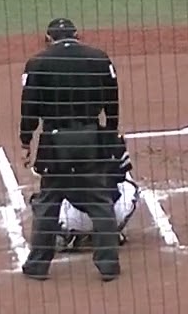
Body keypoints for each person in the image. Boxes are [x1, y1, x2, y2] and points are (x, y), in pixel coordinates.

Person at [18, 18, 122, 282]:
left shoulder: (37, 63)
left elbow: (29, 106)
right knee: (100, 201)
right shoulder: (99, 58)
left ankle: (38, 265)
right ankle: (108, 264)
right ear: (78, 35)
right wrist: (109, 133)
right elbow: (112, 100)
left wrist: (25, 141)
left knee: (49, 201)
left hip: (55, 141)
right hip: (90, 137)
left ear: (47, 38)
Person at [53, 131, 141, 251]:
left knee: (45, 195)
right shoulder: (111, 136)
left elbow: (43, 175)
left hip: (72, 217)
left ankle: (67, 234)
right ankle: (110, 232)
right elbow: (121, 175)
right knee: (131, 187)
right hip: (110, 214)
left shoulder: (57, 139)